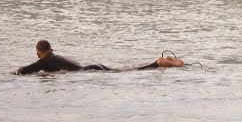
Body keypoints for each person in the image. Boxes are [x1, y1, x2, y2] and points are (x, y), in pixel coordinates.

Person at [13, 39, 185, 75]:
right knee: (125, 71)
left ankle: (158, 63)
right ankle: (158, 63)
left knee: (125, 72)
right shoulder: (53, 57)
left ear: (38, 52)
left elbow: (26, 70)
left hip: (90, 71)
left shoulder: (45, 60)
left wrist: (12, 74)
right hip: (93, 66)